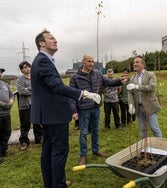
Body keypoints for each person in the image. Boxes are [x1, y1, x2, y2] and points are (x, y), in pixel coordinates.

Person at [30, 30, 100, 188]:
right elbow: (56, 86)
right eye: (51, 38)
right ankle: (59, 184)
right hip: (53, 115)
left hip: (48, 115)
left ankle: (52, 183)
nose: (56, 40)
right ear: (42, 43)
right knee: (59, 151)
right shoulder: (42, 61)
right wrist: (83, 93)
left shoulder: (44, 60)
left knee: (48, 151)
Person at [69, 54, 126, 165]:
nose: (91, 63)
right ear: (83, 62)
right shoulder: (75, 77)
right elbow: (72, 95)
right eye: (89, 61)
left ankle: (95, 150)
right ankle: (83, 155)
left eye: (92, 61)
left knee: (95, 130)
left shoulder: (97, 74)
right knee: (84, 132)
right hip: (83, 109)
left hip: (95, 108)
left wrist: (119, 81)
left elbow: (108, 82)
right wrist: (74, 111)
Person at [127, 55, 162, 139]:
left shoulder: (150, 74)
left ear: (143, 64)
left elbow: (152, 87)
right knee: (143, 129)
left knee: (154, 128)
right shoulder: (132, 77)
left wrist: (137, 87)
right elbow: (130, 93)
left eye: (137, 62)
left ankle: (160, 146)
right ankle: (145, 148)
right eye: (134, 62)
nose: (135, 64)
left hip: (150, 106)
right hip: (139, 107)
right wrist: (131, 105)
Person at [16, 61, 43, 151]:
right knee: (25, 125)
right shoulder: (19, 80)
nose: (27, 68)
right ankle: (24, 142)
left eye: (28, 66)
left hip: (35, 104)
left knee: (37, 122)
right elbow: (21, 91)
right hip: (25, 106)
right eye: (24, 67)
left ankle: (39, 139)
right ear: (21, 70)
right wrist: (32, 90)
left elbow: (38, 89)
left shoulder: (34, 78)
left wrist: (29, 88)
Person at [0, 68, 14, 164]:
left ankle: (3, 150)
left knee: (6, 132)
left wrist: (10, 102)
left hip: (6, 113)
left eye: (0, 72)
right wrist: (1, 103)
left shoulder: (5, 84)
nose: (0, 73)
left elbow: (12, 95)